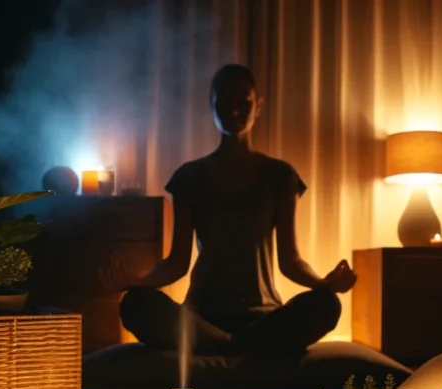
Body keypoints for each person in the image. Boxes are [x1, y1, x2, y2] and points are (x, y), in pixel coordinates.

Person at [99, 63, 357, 355]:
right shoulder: (190, 177)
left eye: (243, 102)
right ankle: (240, 348)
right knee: (136, 305)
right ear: (211, 106)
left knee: (326, 304)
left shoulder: (280, 175)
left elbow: (290, 260)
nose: (234, 111)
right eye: (223, 102)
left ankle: (227, 346)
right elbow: (178, 261)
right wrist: (139, 282)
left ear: (257, 106)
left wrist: (324, 283)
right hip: (201, 318)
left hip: (263, 318)